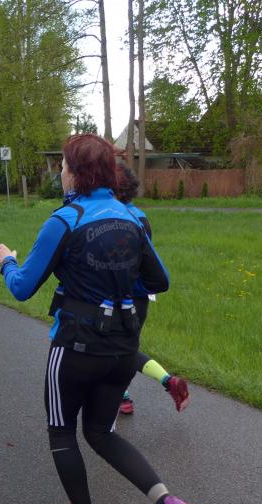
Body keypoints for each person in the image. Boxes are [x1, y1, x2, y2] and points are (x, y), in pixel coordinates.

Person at [0, 134, 203, 504]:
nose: (60, 173)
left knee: (61, 432)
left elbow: (22, 287)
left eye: (63, 166)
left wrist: (7, 262)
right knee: (101, 433)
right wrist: (116, 282)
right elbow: (160, 280)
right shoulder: (131, 217)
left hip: (76, 347)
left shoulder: (65, 220)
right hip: (123, 348)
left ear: (75, 172)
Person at [114, 163, 189, 414]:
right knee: (127, 346)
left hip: (119, 295)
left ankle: (134, 391)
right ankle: (131, 392)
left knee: (115, 347)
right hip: (142, 296)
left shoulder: (113, 218)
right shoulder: (140, 216)